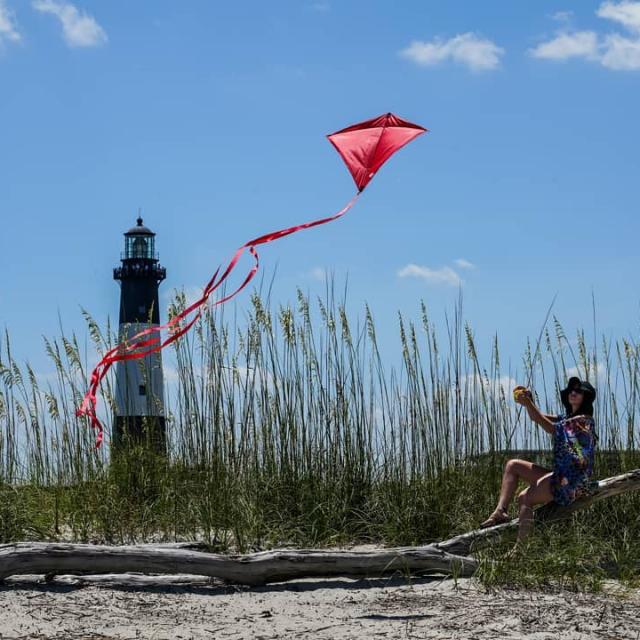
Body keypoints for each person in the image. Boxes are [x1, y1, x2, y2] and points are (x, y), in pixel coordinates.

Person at [479, 376, 598, 548]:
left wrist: (528, 404)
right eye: (571, 389)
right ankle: (500, 511)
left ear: (586, 397)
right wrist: (530, 401)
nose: (573, 392)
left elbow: (549, 426)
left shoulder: (583, 421)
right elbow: (540, 416)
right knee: (513, 465)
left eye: (578, 391)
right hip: (562, 476)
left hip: (573, 483)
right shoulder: (567, 417)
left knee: (524, 497)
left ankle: (520, 550)